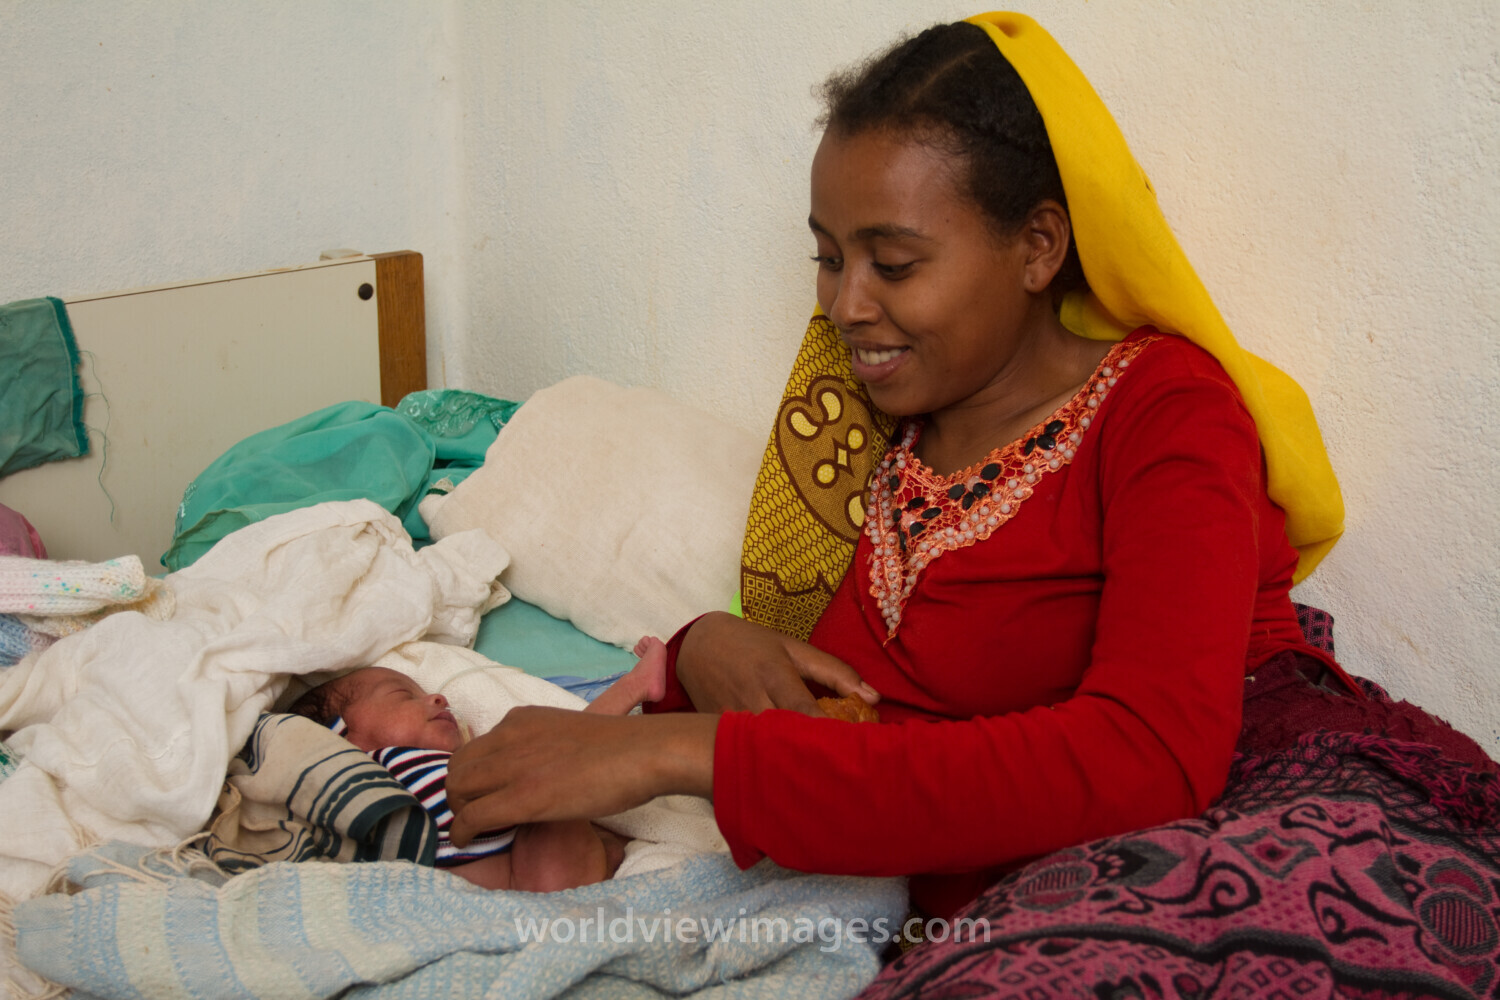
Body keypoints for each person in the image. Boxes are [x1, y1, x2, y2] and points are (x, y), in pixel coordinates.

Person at [443, 13, 1350, 921]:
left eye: (895, 262)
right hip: (895, 911)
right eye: (829, 259)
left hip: (1123, 889)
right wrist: (701, 650)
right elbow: (844, 711)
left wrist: (683, 753)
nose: (846, 305)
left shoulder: (1166, 415)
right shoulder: (870, 424)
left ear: (1038, 247)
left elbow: (1149, 756)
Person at [290, 636, 668, 892]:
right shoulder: (382, 769)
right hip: (536, 881)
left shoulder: (424, 772)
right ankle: (634, 686)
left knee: (555, 767)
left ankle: (611, 847)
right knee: (558, 755)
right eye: (403, 695)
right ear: (343, 737)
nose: (438, 698)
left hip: (531, 881)